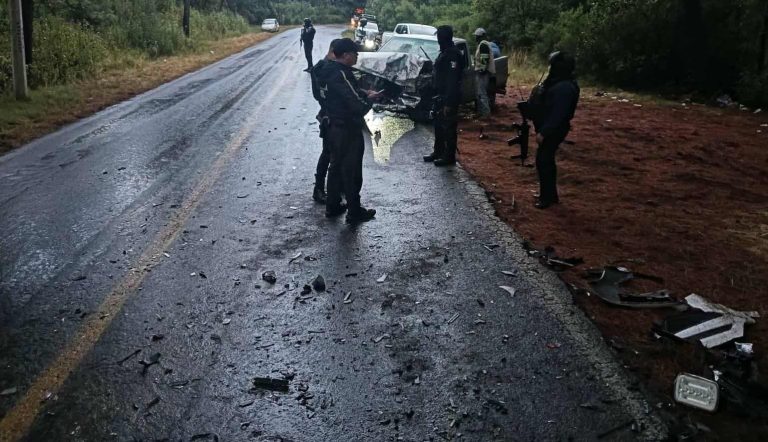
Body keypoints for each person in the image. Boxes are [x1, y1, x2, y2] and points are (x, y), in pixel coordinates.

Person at [317, 38, 381, 223]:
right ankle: (354, 211)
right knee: (351, 170)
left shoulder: (324, 69)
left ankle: (333, 205)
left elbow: (346, 93)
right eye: (355, 54)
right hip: (346, 128)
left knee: (335, 166)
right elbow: (356, 105)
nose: (357, 56)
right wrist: (370, 99)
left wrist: (363, 94)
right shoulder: (340, 73)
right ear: (346, 55)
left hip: (331, 125)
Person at [531, 51, 580, 209]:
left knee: (544, 161)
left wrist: (544, 132)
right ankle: (550, 195)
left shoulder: (564, 88)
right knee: (546, 160)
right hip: (551, 126)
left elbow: (558, 115)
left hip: (554, 129)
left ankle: (547, 198)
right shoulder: (560, 83)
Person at [423, 25, 464, 167]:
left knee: (449, 128)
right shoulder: (444, 52)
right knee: (439, 126)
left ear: (444, 38)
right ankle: (438, 151)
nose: (438, 40)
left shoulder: (453, 54)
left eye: (439, 37)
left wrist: (449, 103)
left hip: (449, 98)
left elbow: (453, 81)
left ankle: (449, 156)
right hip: (440, 96)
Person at [309, 39, 342, 204]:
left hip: (331, 113)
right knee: (328, 153)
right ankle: (319, 188)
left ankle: (332, 186)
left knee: (335, 153)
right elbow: (319, 94)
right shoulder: (323, 69)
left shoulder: (325, 68)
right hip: (329, 115)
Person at [473, 28, 496, 117]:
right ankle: (482, 112)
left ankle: (485, 114)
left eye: (476, 36)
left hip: (483, 73)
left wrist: (482, 70)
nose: (475, 38)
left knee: (482, 94)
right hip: (483, 72)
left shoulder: (483, 45)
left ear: (480, 36)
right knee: (481, 93)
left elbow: (484, 59)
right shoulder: (484, 44)